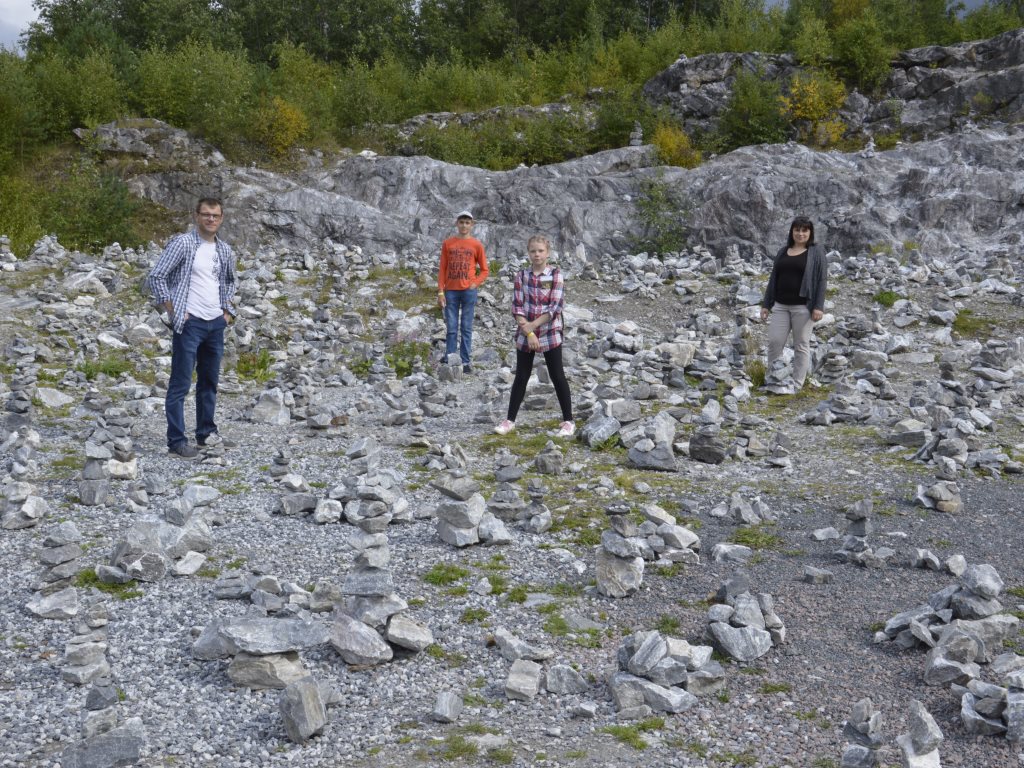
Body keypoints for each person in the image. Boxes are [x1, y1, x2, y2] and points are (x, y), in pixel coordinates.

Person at [148, 198, 237, 458]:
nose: (211, 219)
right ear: (197, 216)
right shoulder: (183, 243)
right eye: (206, 214)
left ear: (221, 218)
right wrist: (173, 310)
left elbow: (230, 281)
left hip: (215, 323)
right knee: (181, 383)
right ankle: (176, 441)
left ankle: (206, 434)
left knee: (209, 382)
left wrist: (227, 313)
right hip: (189, 323)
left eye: (215, 215)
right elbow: (157, 275)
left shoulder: (224, 250)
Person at [494, 235, 574, 438]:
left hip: (550, 331)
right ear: (528, 253)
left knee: (557, 375)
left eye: (540, 251)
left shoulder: (556, 275)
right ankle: (510, 421)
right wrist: (529, 332)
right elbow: (517, 306)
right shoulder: (521, 276)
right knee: (521, 375)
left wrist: (533, 326)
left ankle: (568, 421)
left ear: (548, 253)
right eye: (533, 251)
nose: (537, 254)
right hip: (526, 332)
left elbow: (555, 307)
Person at [760, 215, 828, 388]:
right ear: (792, 232)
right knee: (775, 342)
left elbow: (822, 280)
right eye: (797, 230)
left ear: (810, 233)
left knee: (801, 345)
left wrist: (818, 306)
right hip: (780, 305)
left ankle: (797, 383)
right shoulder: (783, 251)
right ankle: (773, 378)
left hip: (803, 307)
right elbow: (773, 278)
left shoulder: (816, 252)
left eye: (804, 230)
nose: (800, 233)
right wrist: (766, 304)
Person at [438, 210, 488, 373]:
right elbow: (442, 268)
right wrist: (440, 291)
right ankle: (450, 358)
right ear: (457, 223)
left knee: (466, 327)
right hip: (450, 291)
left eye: (467, 222)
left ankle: (465, 361)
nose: (464, 225)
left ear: (472, 225)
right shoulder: (448, 243)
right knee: (451, 327)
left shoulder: (477, 245)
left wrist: (475, 283)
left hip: (468, 291)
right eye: (461, 222)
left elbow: (485, 270)